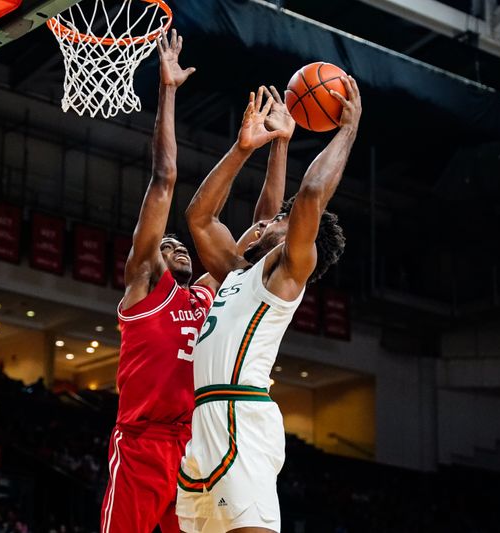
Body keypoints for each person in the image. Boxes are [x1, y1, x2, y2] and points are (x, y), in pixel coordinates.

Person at [102, 31, 293, 533]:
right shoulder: (145, 289)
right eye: (168, 244)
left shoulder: (209, 295)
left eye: (178, 243)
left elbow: (263, 238)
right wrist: (166, 91)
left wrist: (277, 145)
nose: (178, 245)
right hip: (143, 444)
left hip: (198, 445)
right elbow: (165, 178)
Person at [177, 79, 360, 533]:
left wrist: (348, 129)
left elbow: (311, 196)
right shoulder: (235, 271)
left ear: (299, 236)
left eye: (281, 220)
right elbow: (200, 216)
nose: (264, 224)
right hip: (205, 423)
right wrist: (251, 148)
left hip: (242, 419)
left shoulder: (285, 277)